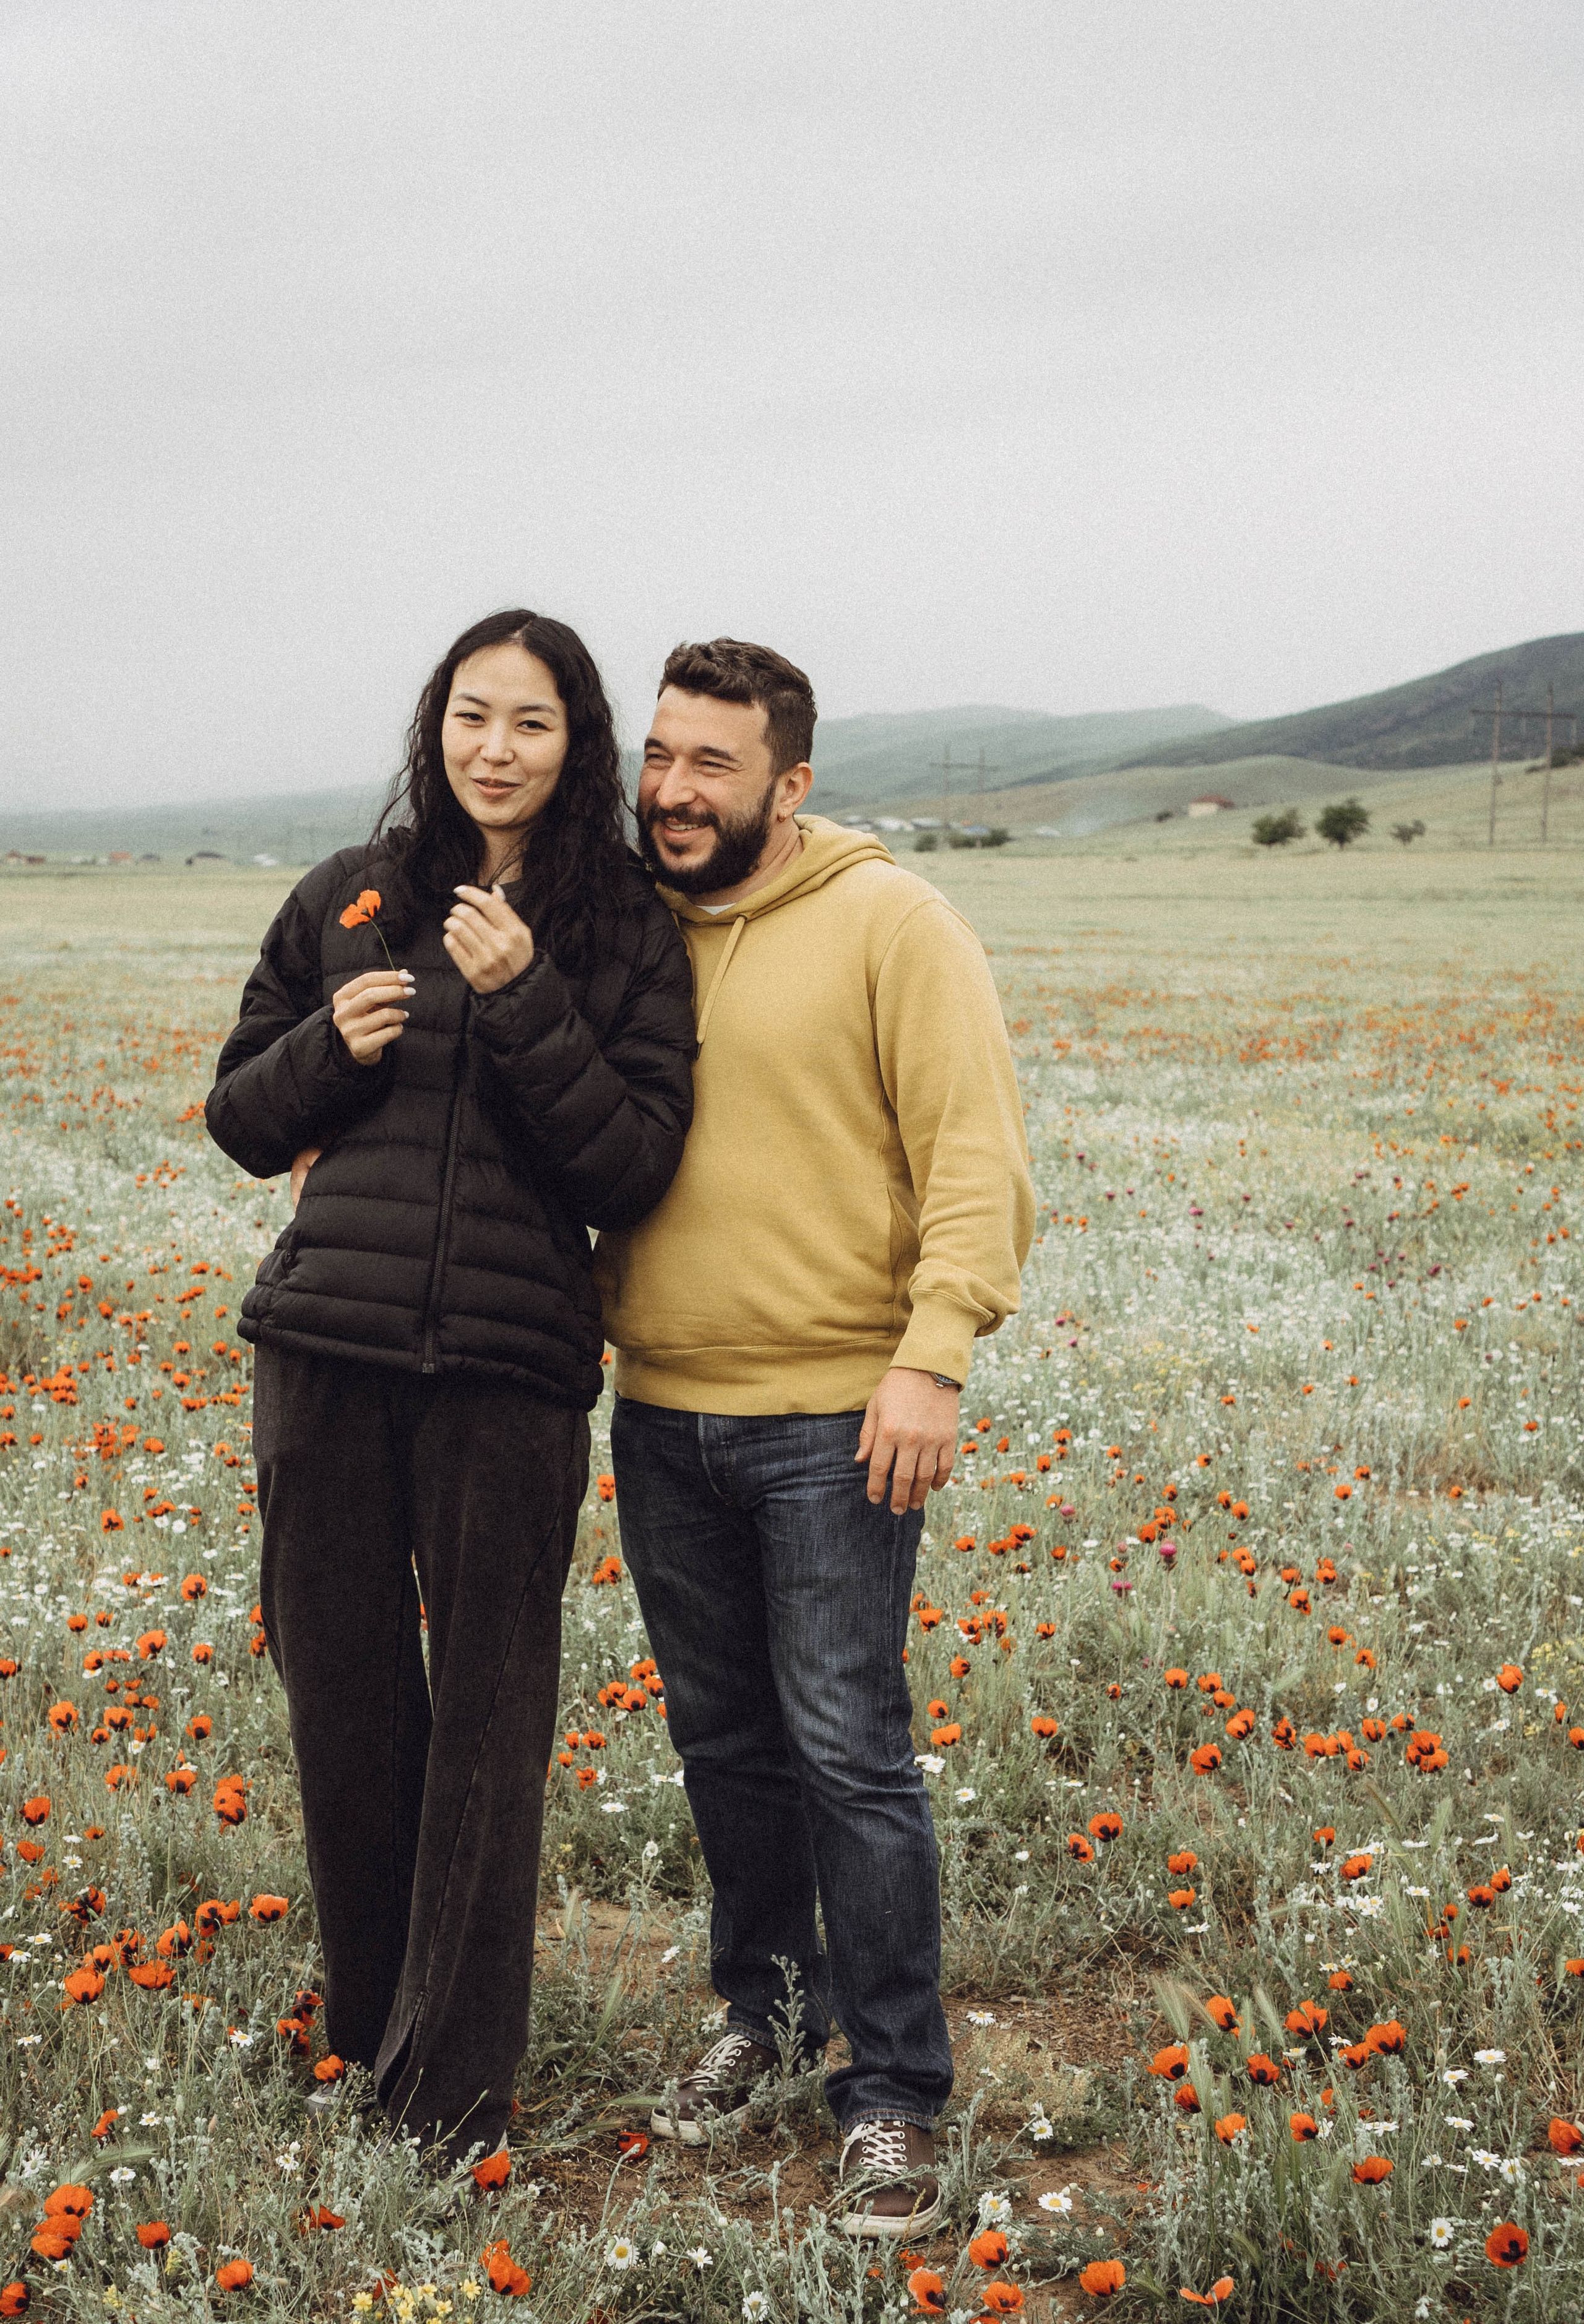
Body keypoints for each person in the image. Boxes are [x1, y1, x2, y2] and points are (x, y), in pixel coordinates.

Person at [205, 610, 695, 2153]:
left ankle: (454, 2095)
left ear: (576, 744)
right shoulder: (348, 897)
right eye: (472, 716)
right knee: (342, 1704)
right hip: (323, 1355)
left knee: (489, 1725)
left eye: (531, 724)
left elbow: (633, 1162)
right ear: (436, 729)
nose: (497, 748)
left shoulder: (620, 928)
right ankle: (368, 2040)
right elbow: (237, 1113)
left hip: (510, 1371)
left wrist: (532, 1002)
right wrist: (327, 1059)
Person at [594, 637, 1035, 2237]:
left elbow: (975, 1147)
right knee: (724, 1745)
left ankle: (896, 2092)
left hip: (837, 1415)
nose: (674, 790)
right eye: (659, 755)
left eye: (712, 763)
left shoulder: (891, 920)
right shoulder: (626, 922)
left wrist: (934, 1357)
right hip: (660, 1411)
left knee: (848, 1747)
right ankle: (762, 2016)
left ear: (791, 783)